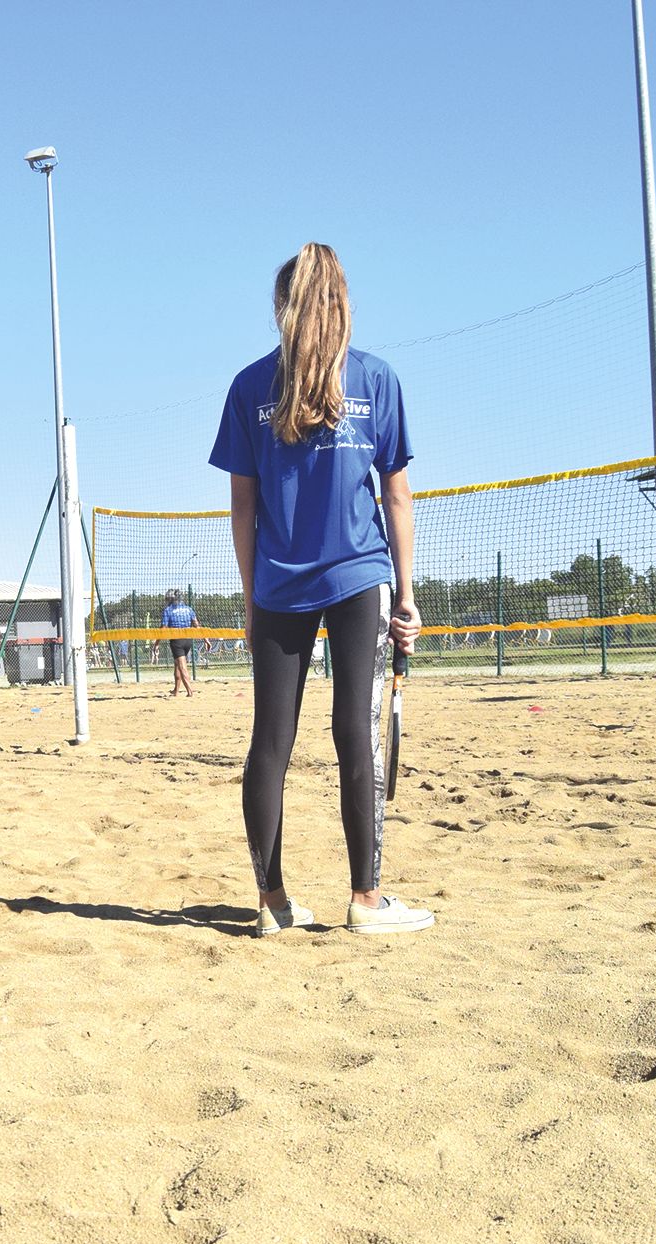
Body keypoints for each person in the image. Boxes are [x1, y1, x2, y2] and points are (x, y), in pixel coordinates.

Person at [210, 243, 431, 938]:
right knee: (352, 734)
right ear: (343, 304)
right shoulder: (375, 378)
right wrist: (404, 593)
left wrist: (251, 598)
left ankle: (271, 900)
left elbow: (242, 511)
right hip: (358, 576)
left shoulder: (249, 386)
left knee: (269, 742)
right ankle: (365, 899)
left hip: (279, 582)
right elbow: (395, 499)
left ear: (279, 309)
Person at [162, 590, 199, 697]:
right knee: (177, 665)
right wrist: (206, 639)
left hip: (176, 641)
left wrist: (156, 643)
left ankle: (190, 691)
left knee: (182, 667)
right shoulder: (188, 609)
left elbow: (163, 628)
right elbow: (197, 625)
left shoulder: (168, 610)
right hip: (188, 640)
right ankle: (176, 690)